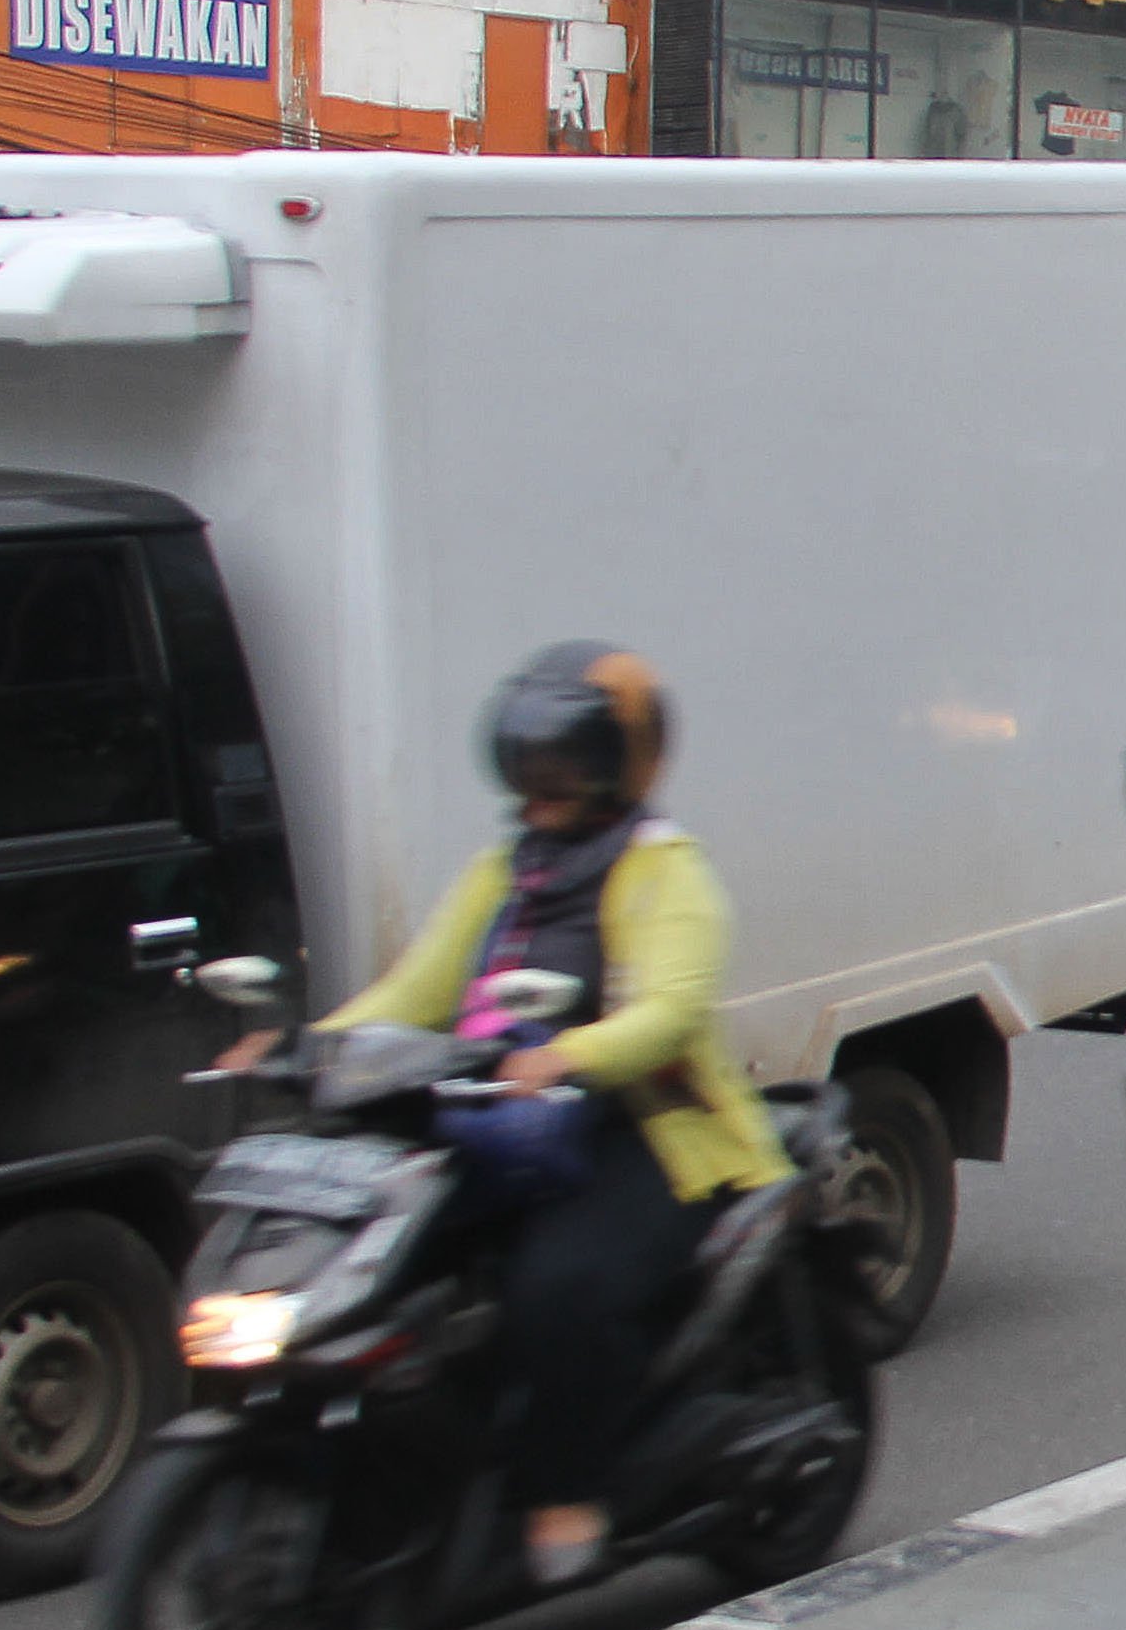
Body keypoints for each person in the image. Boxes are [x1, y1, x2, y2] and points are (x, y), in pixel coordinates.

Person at [220, 647, 788, 1581]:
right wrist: (308, 1046)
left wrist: (566, 1052)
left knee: (556, 1290)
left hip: (641, 1132)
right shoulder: (508, 867)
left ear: (620, 763)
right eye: (525, 767)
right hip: (501, 1121)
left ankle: (566, 1488)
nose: (539, 788)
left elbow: (670, 1012)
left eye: (562, 767)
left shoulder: (667, 871)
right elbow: (419, 988)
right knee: (386, 1267)